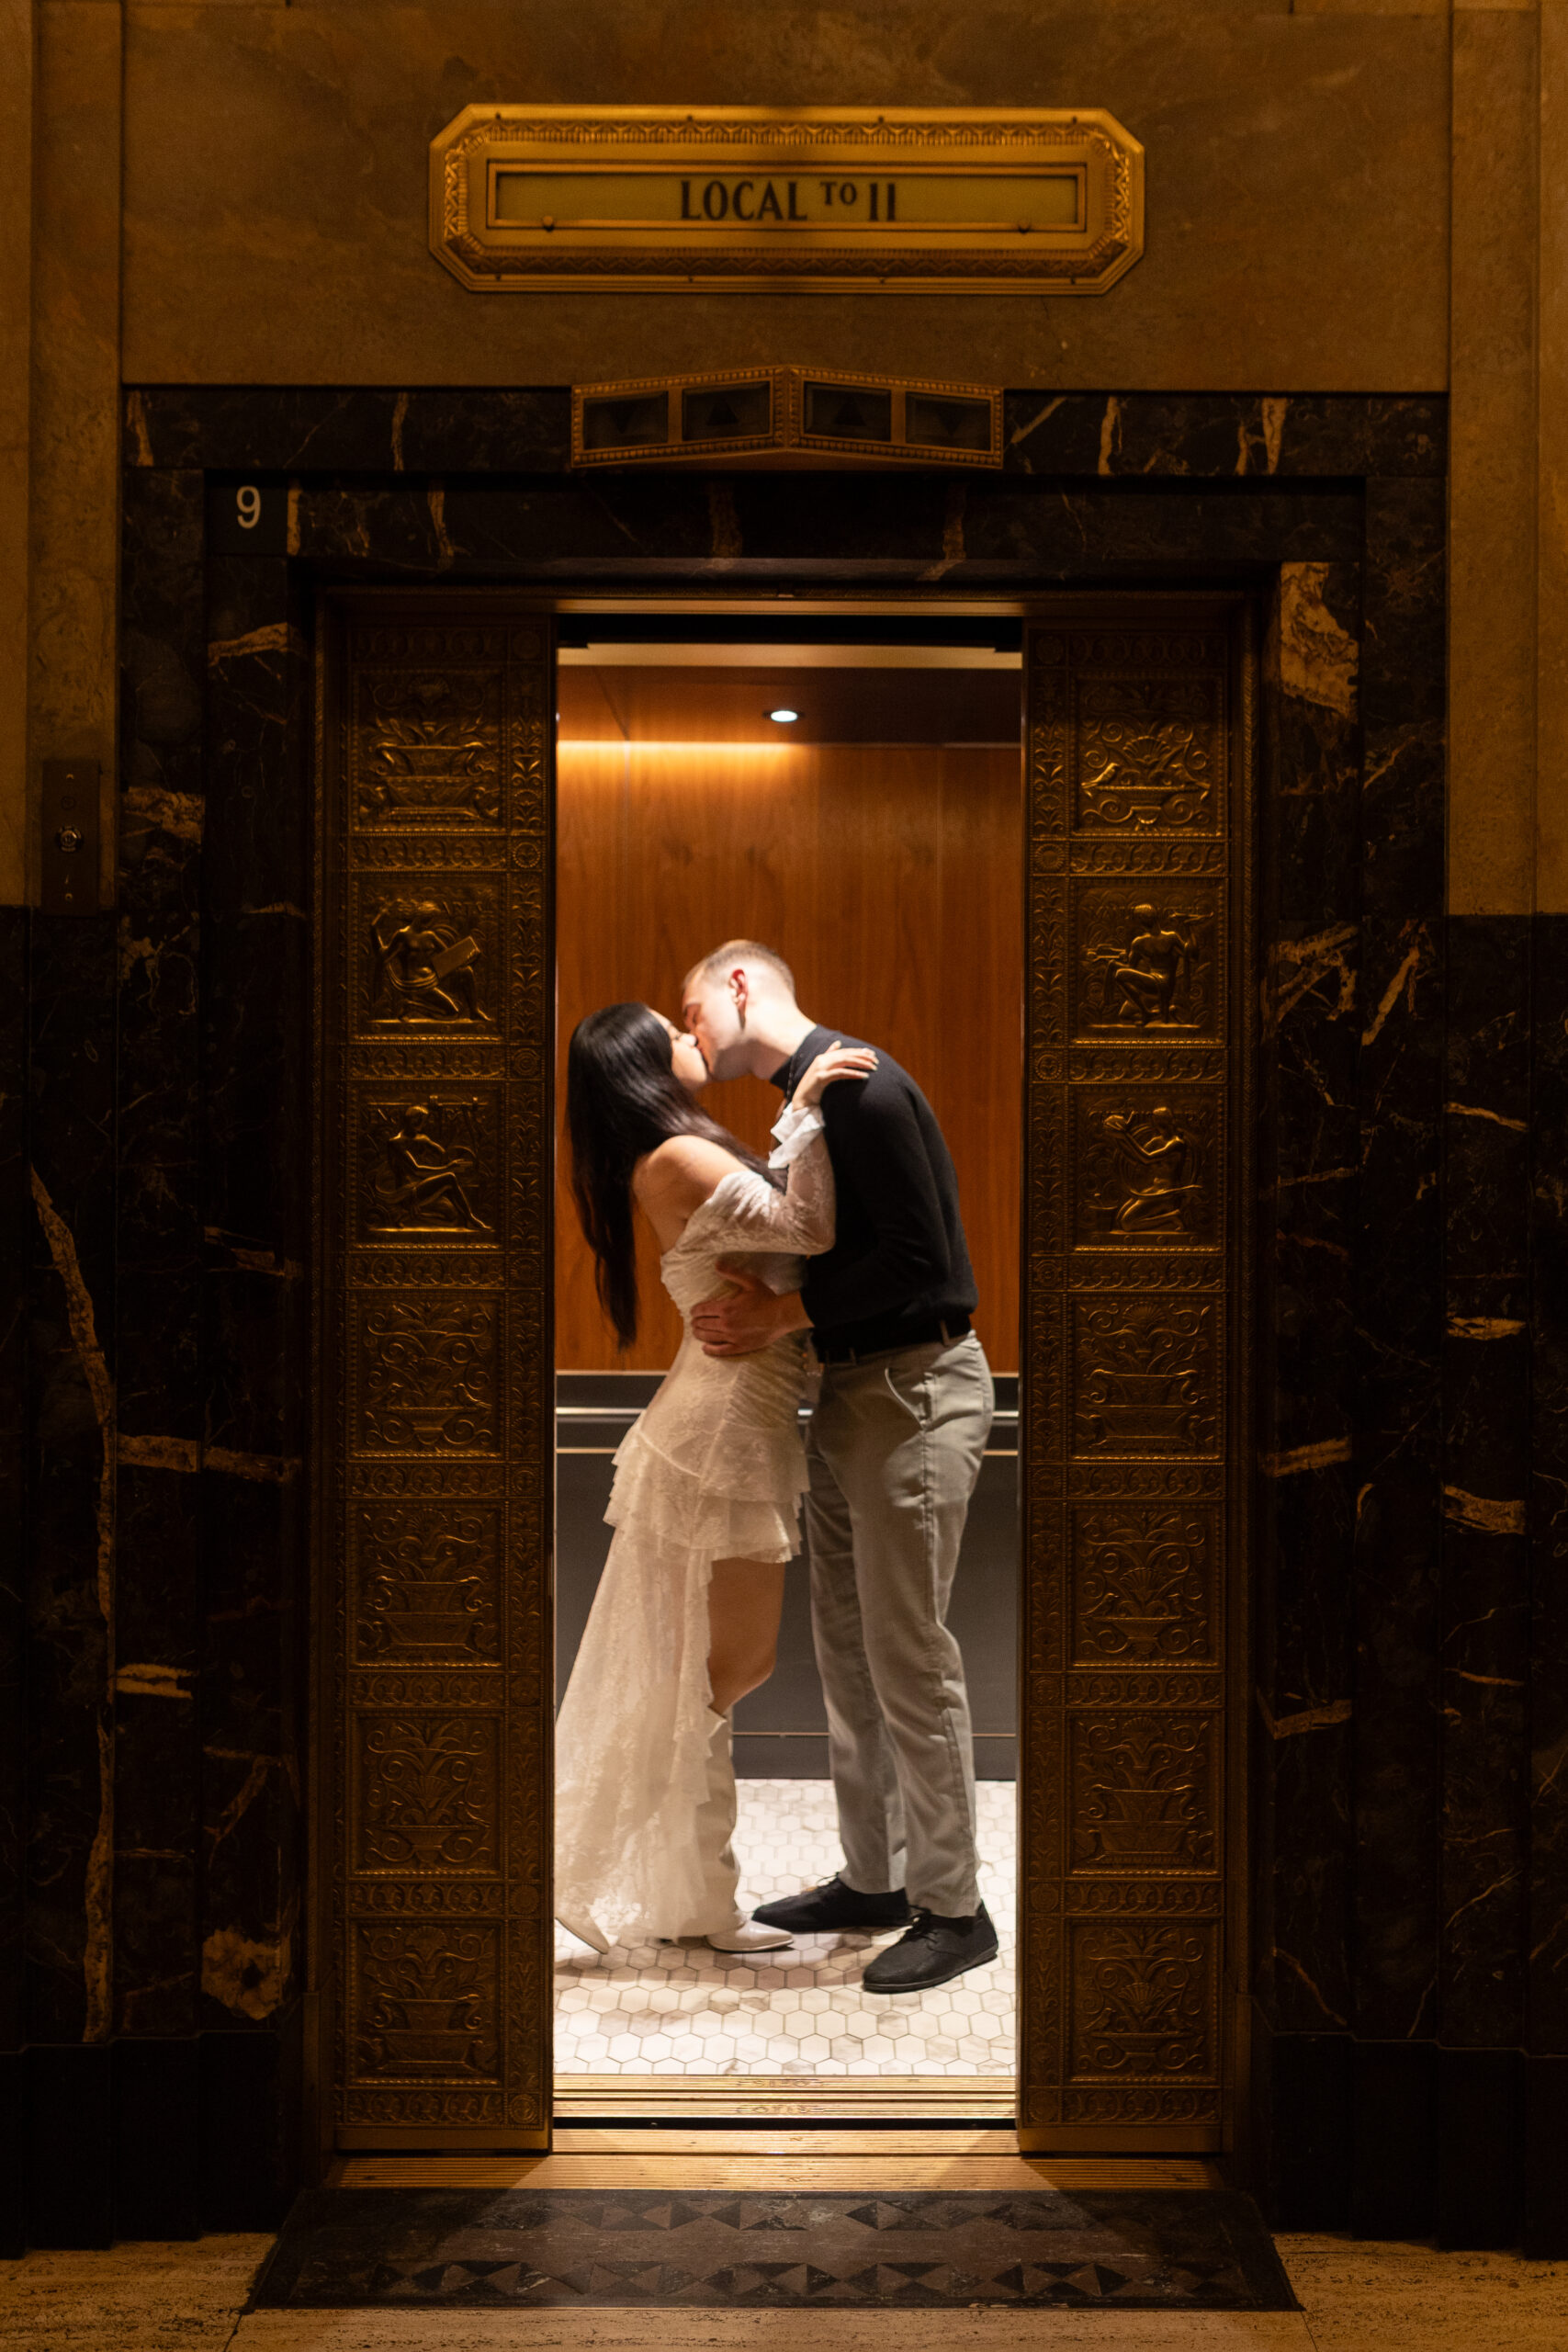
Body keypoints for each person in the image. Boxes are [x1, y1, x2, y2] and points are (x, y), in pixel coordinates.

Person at [681, 942, 998, 1995]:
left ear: (739, 985)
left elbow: (918, 1261)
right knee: (853, 1651)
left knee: (910, 1654)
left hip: (915, 1387)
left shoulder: (858, 1083)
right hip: (858, 1391)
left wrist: (778, 1311)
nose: (693, 1036)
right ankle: (877, 1876)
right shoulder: (820, 1095)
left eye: (693, 1011)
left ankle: (956, 1908)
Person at [554, 1000, 874, 1957]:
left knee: (704, 1671)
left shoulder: (668, 1154)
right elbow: (809, 1227)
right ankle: (587, 1862)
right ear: (644, 1064)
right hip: (723, 1429)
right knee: (720, 1671)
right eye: (676, 1035)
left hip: (728, 1420)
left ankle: (695, 1898)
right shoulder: (677, 1157)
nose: (697, 1042)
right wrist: (806, 1106)